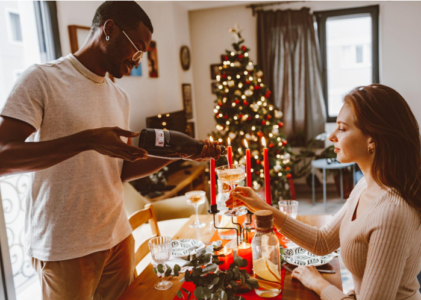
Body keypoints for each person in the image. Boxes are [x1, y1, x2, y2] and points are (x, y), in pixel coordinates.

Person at [0, 1, 221, 300]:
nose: (138, 60)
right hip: (65, 247)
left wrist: (181, 155)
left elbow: (121, 170)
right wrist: (86, 140)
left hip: (117, 237)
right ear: (109, 29)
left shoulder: (120, 97)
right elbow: (3, 157)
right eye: (138, 48)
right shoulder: (42, 79)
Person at [227, 84, 421, 300]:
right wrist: (261, 207)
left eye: (342, 128)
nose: (332, 136)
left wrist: (319, 285)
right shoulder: (365, 187)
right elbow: (322, 241)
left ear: (372, 140)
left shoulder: (391, 212)